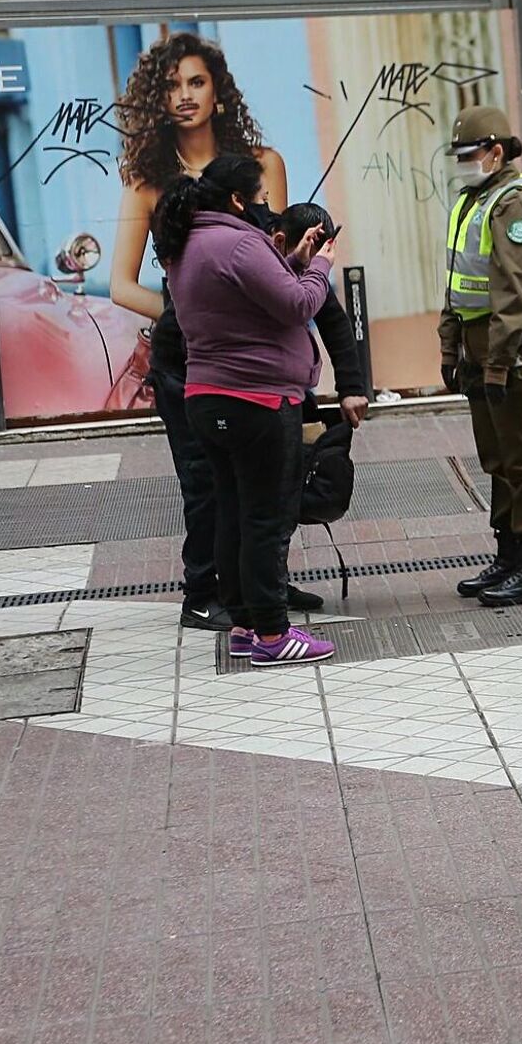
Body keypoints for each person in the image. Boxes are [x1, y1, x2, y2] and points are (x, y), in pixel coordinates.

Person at [113, 33, 351, 629]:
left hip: (259, 355)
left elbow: (277, 255)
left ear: (219, 91)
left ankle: (261, 584)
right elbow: (121, 285)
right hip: (186, 358)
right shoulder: (146, 177)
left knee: (272, 476)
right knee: (206, 482)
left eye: (196, 82)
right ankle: (204, 591)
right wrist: (193, 314)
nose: (185, 96)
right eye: (171, 86)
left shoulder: (261, 164)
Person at [160, 154, 339, 668]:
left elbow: (247, 298)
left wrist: (295, 264)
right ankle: (272, 633)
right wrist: (321, 265)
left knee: (233, 513)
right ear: (238, 199)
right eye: (260, 197)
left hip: (207, 396)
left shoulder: (186, 242)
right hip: (258, 400)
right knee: (265, 517)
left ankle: (243, 624)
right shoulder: (239, 241)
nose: (265, 206)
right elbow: (297, 306)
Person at [437, 106, 522, 608]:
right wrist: (450, 345)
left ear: (497, 151)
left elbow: (514, 291)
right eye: (459, 156)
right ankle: (508, 554)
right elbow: (458, 283)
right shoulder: (475, 200)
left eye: (471, 155)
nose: (464, 163)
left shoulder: (512, 204)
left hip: (511, 349)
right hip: (477, 345)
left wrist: (498, 363)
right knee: (497, 459)